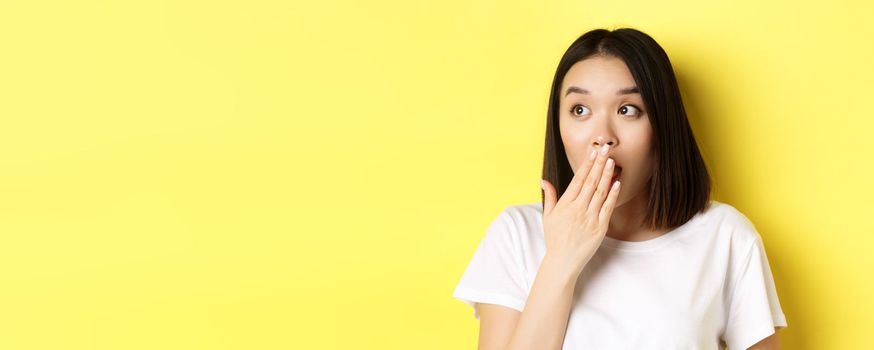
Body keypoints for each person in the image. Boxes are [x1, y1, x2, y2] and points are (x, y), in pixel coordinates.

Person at [452, 28, 788, 350]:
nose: (603, 136)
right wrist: (560, 259)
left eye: (628, 110)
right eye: (579, 110)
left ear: (662, 128)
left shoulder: (725, 236)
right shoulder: (515, 234)